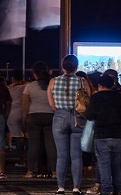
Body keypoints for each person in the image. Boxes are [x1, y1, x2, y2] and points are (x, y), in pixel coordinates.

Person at [49, 54, 90, 194]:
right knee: (76, 156)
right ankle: (76, 188)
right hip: (78, 118)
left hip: (60, 117)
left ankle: (60, 187)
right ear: (76, 66)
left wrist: (61, 111)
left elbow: (51, 104)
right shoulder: (82, 81)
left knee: (61, 155)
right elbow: (87, 101)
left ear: (63, 66)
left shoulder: (53, 81)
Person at [86, 72, 121, 195]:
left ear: (100, 85)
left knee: (103, 164)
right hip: (118, 135)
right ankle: (118, 189)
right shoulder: (119, 96)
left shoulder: (96, 98)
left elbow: (89, 115)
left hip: (102, 135)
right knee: (117, 165)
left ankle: (107, 189)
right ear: (112, 85)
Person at [23, 61, 56, 178]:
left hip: (33, 116)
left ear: (34, 73)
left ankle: (30, 171)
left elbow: (25, 106)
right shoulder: (52, 85)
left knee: (33, 145)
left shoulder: (29, 86)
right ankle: (54, 171)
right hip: (50, 115)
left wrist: (24, 120)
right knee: (51, 144)